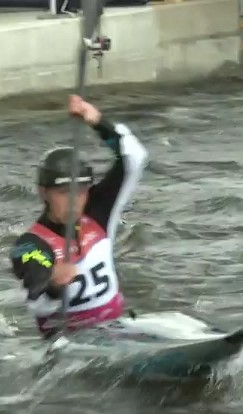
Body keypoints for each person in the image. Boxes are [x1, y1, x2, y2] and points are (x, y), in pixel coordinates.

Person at [9, 95, 148, 339]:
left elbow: (135, 158)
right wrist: (53, 283)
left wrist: (98, 122)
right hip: (74, 341)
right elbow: (36, 298)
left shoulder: (99, 213)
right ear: (44, 193)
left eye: (81, 191)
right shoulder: (30, 245)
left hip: (116, 328)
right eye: (64, 192)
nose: (75, 201)